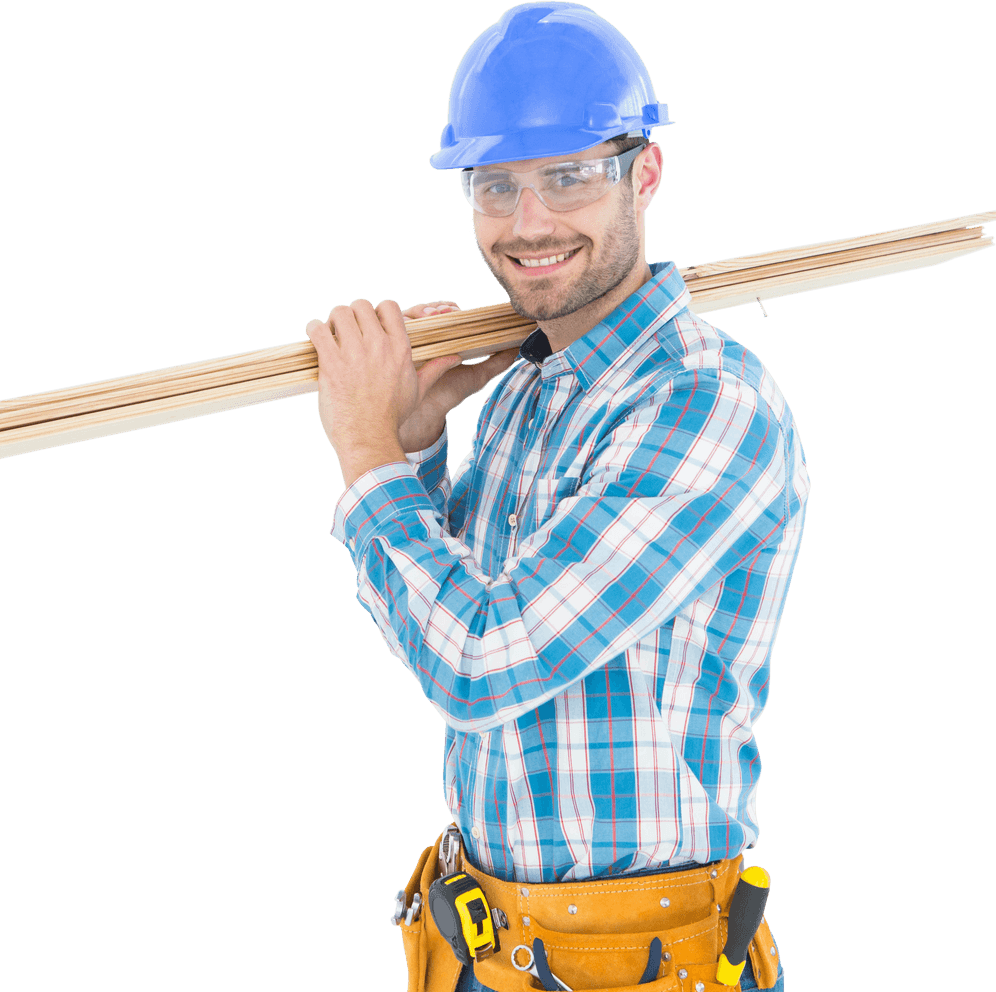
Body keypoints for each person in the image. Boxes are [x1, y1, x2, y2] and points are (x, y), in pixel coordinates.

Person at [305, 3, 805, 990]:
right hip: (489, 947)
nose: (530, 224)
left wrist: (361, 450)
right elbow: (440, 620)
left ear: (644, 171)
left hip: (644, 962)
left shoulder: (704, 405)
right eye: (498, 186)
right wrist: (408, 447)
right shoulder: (530, 385)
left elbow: (483, 665)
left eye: (569, 176)